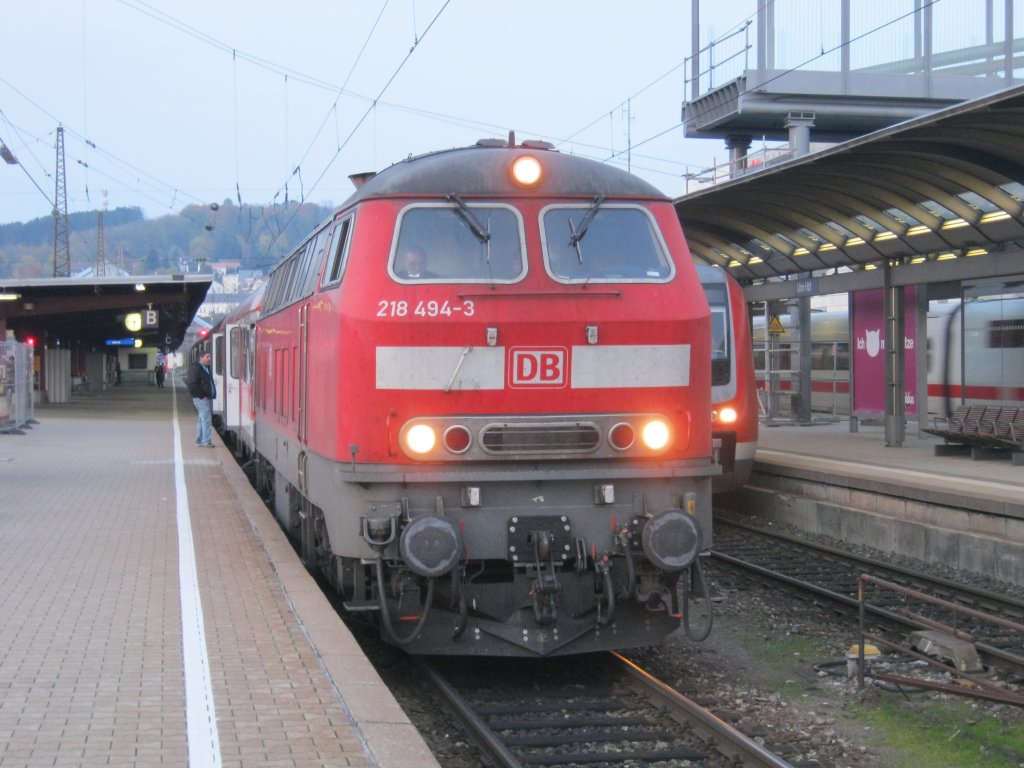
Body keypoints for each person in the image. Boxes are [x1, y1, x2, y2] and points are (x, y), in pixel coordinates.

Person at [188, 351, 216, 447]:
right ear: (201, 358)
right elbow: (192, 384)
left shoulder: (205, 368)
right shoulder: (196, 368)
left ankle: (200, 440)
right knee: (206, 420)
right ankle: (206, 441)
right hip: (201, 399)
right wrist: (201, 396)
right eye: (207, 356)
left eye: (210, 356)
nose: (209, 358)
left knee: (202, 419)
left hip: (205, 398)